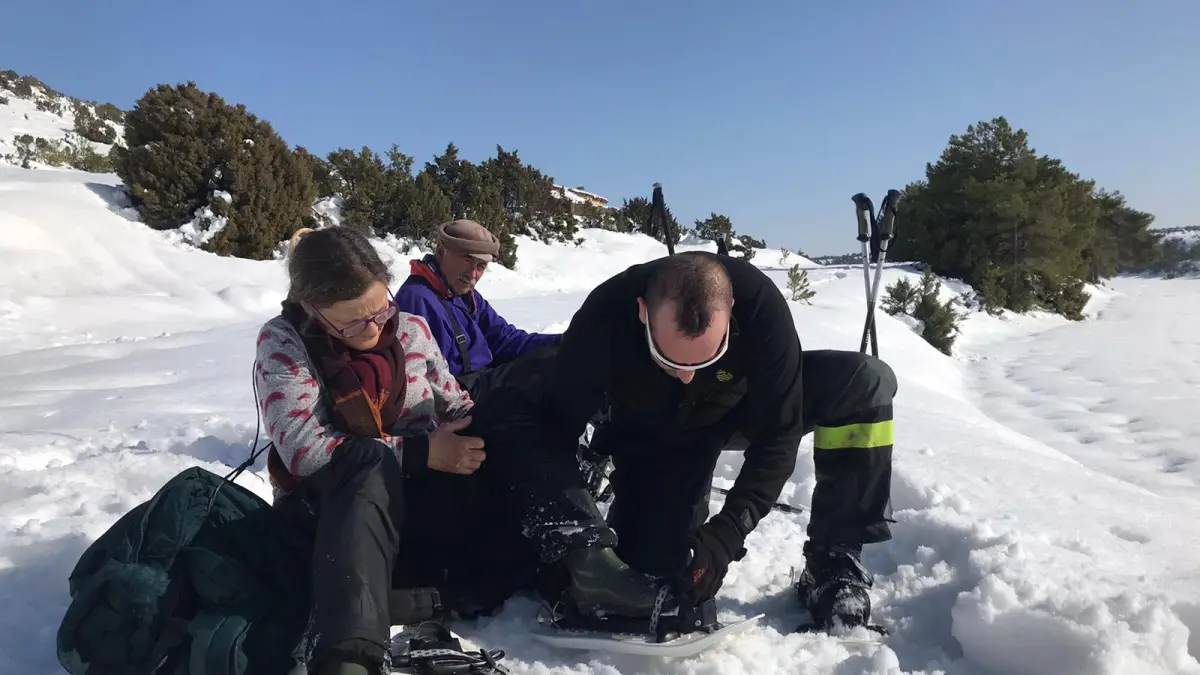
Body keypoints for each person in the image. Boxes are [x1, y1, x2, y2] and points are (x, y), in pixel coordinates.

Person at [253, 227, 663, 675]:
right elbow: (304, 450)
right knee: (366, 458)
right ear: (312, 309)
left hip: (413, 506)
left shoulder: (409, 330)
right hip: (334, 523)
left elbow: (459, 406)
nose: (375, 327)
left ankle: (586, 561)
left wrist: (497, 433)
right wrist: (421, 452)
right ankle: (349, 657)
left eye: (381, 309)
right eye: (353, 322)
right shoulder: (285, 344)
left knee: (503, 410)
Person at [534, 250, 897, 632]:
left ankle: (833, 561)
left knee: (862, 382)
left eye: (706, 359)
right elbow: (553, 431)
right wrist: (579, 535)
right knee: (655, 577)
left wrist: (729, 531)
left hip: (742, 407)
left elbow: (779, 434)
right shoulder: (604, 318)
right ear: (643, 312)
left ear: (731, 311)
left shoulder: (760, 306)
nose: (687, 376)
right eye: (669, 360)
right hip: (659, 435)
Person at [394, 219, 561, 397]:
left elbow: (504, 338)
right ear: (441, 252)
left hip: (486, 380)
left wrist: (565, 342)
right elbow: (420, 380)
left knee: (557, 365)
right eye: (467, 260)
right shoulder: (417, 299)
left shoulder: (465, 294)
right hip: (462, 397)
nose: (473, 274)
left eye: (481, 266)